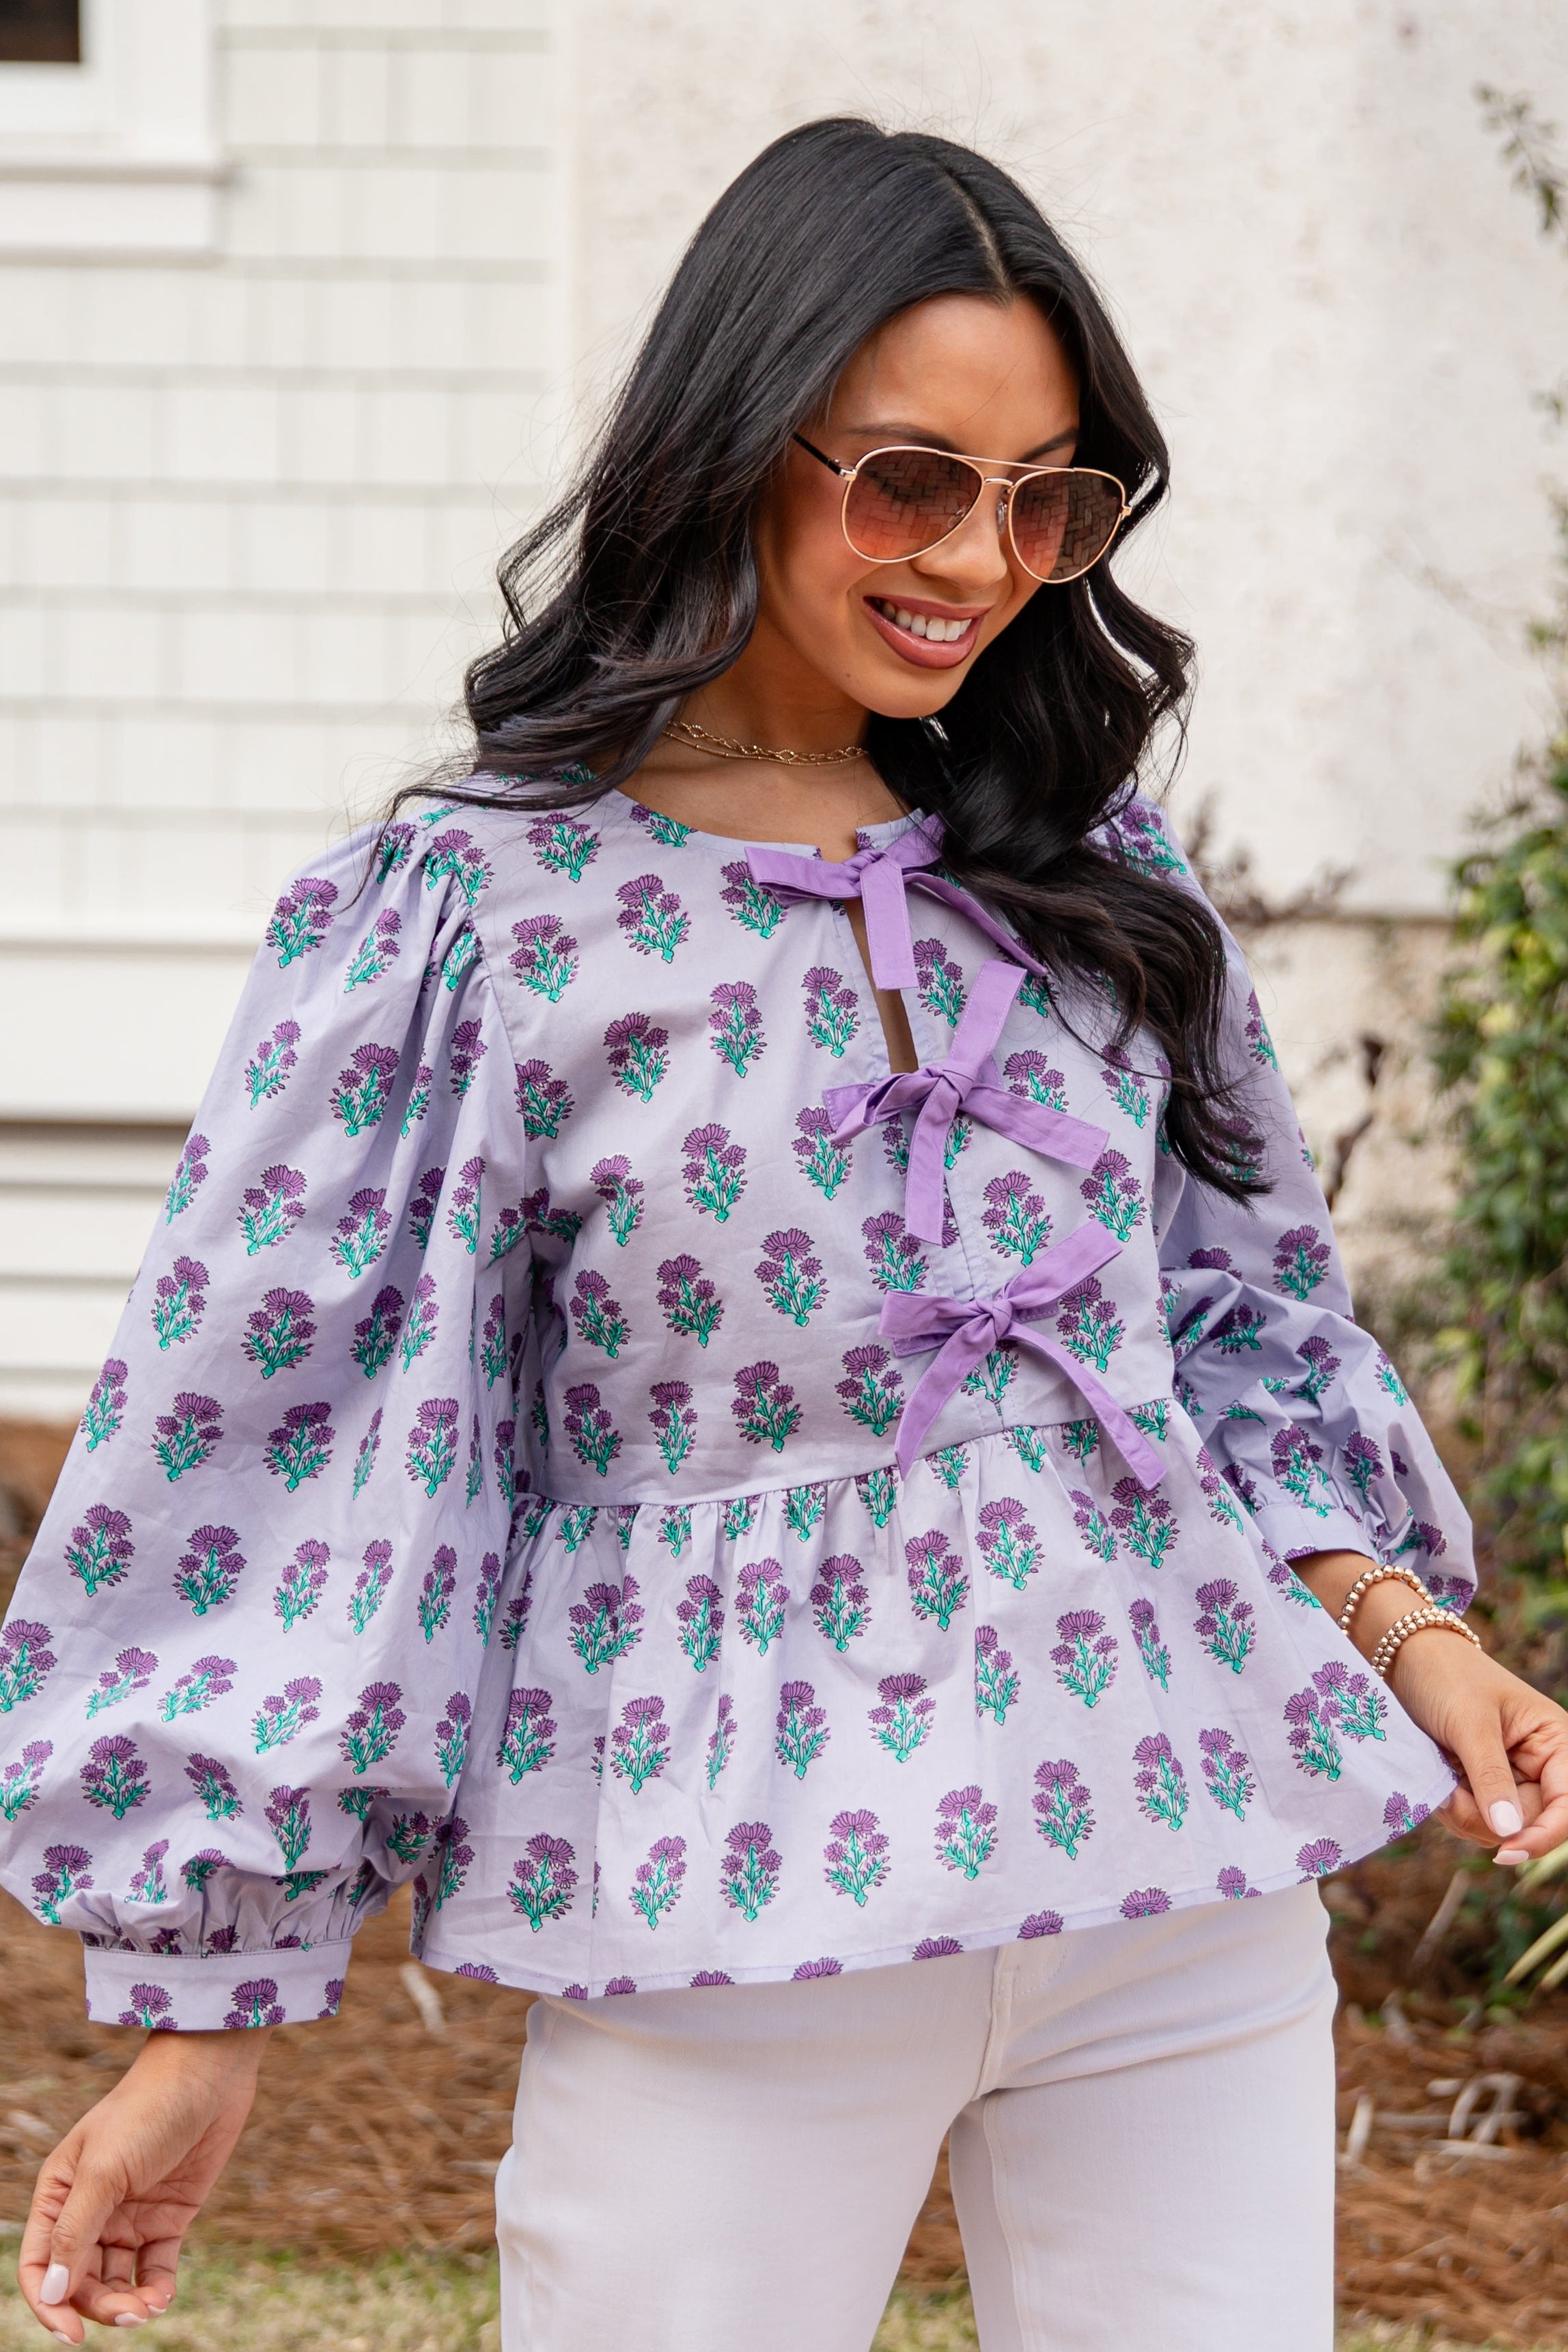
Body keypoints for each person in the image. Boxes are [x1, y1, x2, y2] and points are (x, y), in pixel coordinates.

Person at [5, 117, 1565, 2352]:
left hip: (1179, 1882)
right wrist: (207, 2007)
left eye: (1054, 501)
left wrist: (1422, 1642)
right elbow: (309, 1447)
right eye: (914, 481)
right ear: (741, 443)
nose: (986, 561)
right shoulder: (475, 914)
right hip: (720, 1906)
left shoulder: (1087, 861)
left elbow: (1232, 1329)